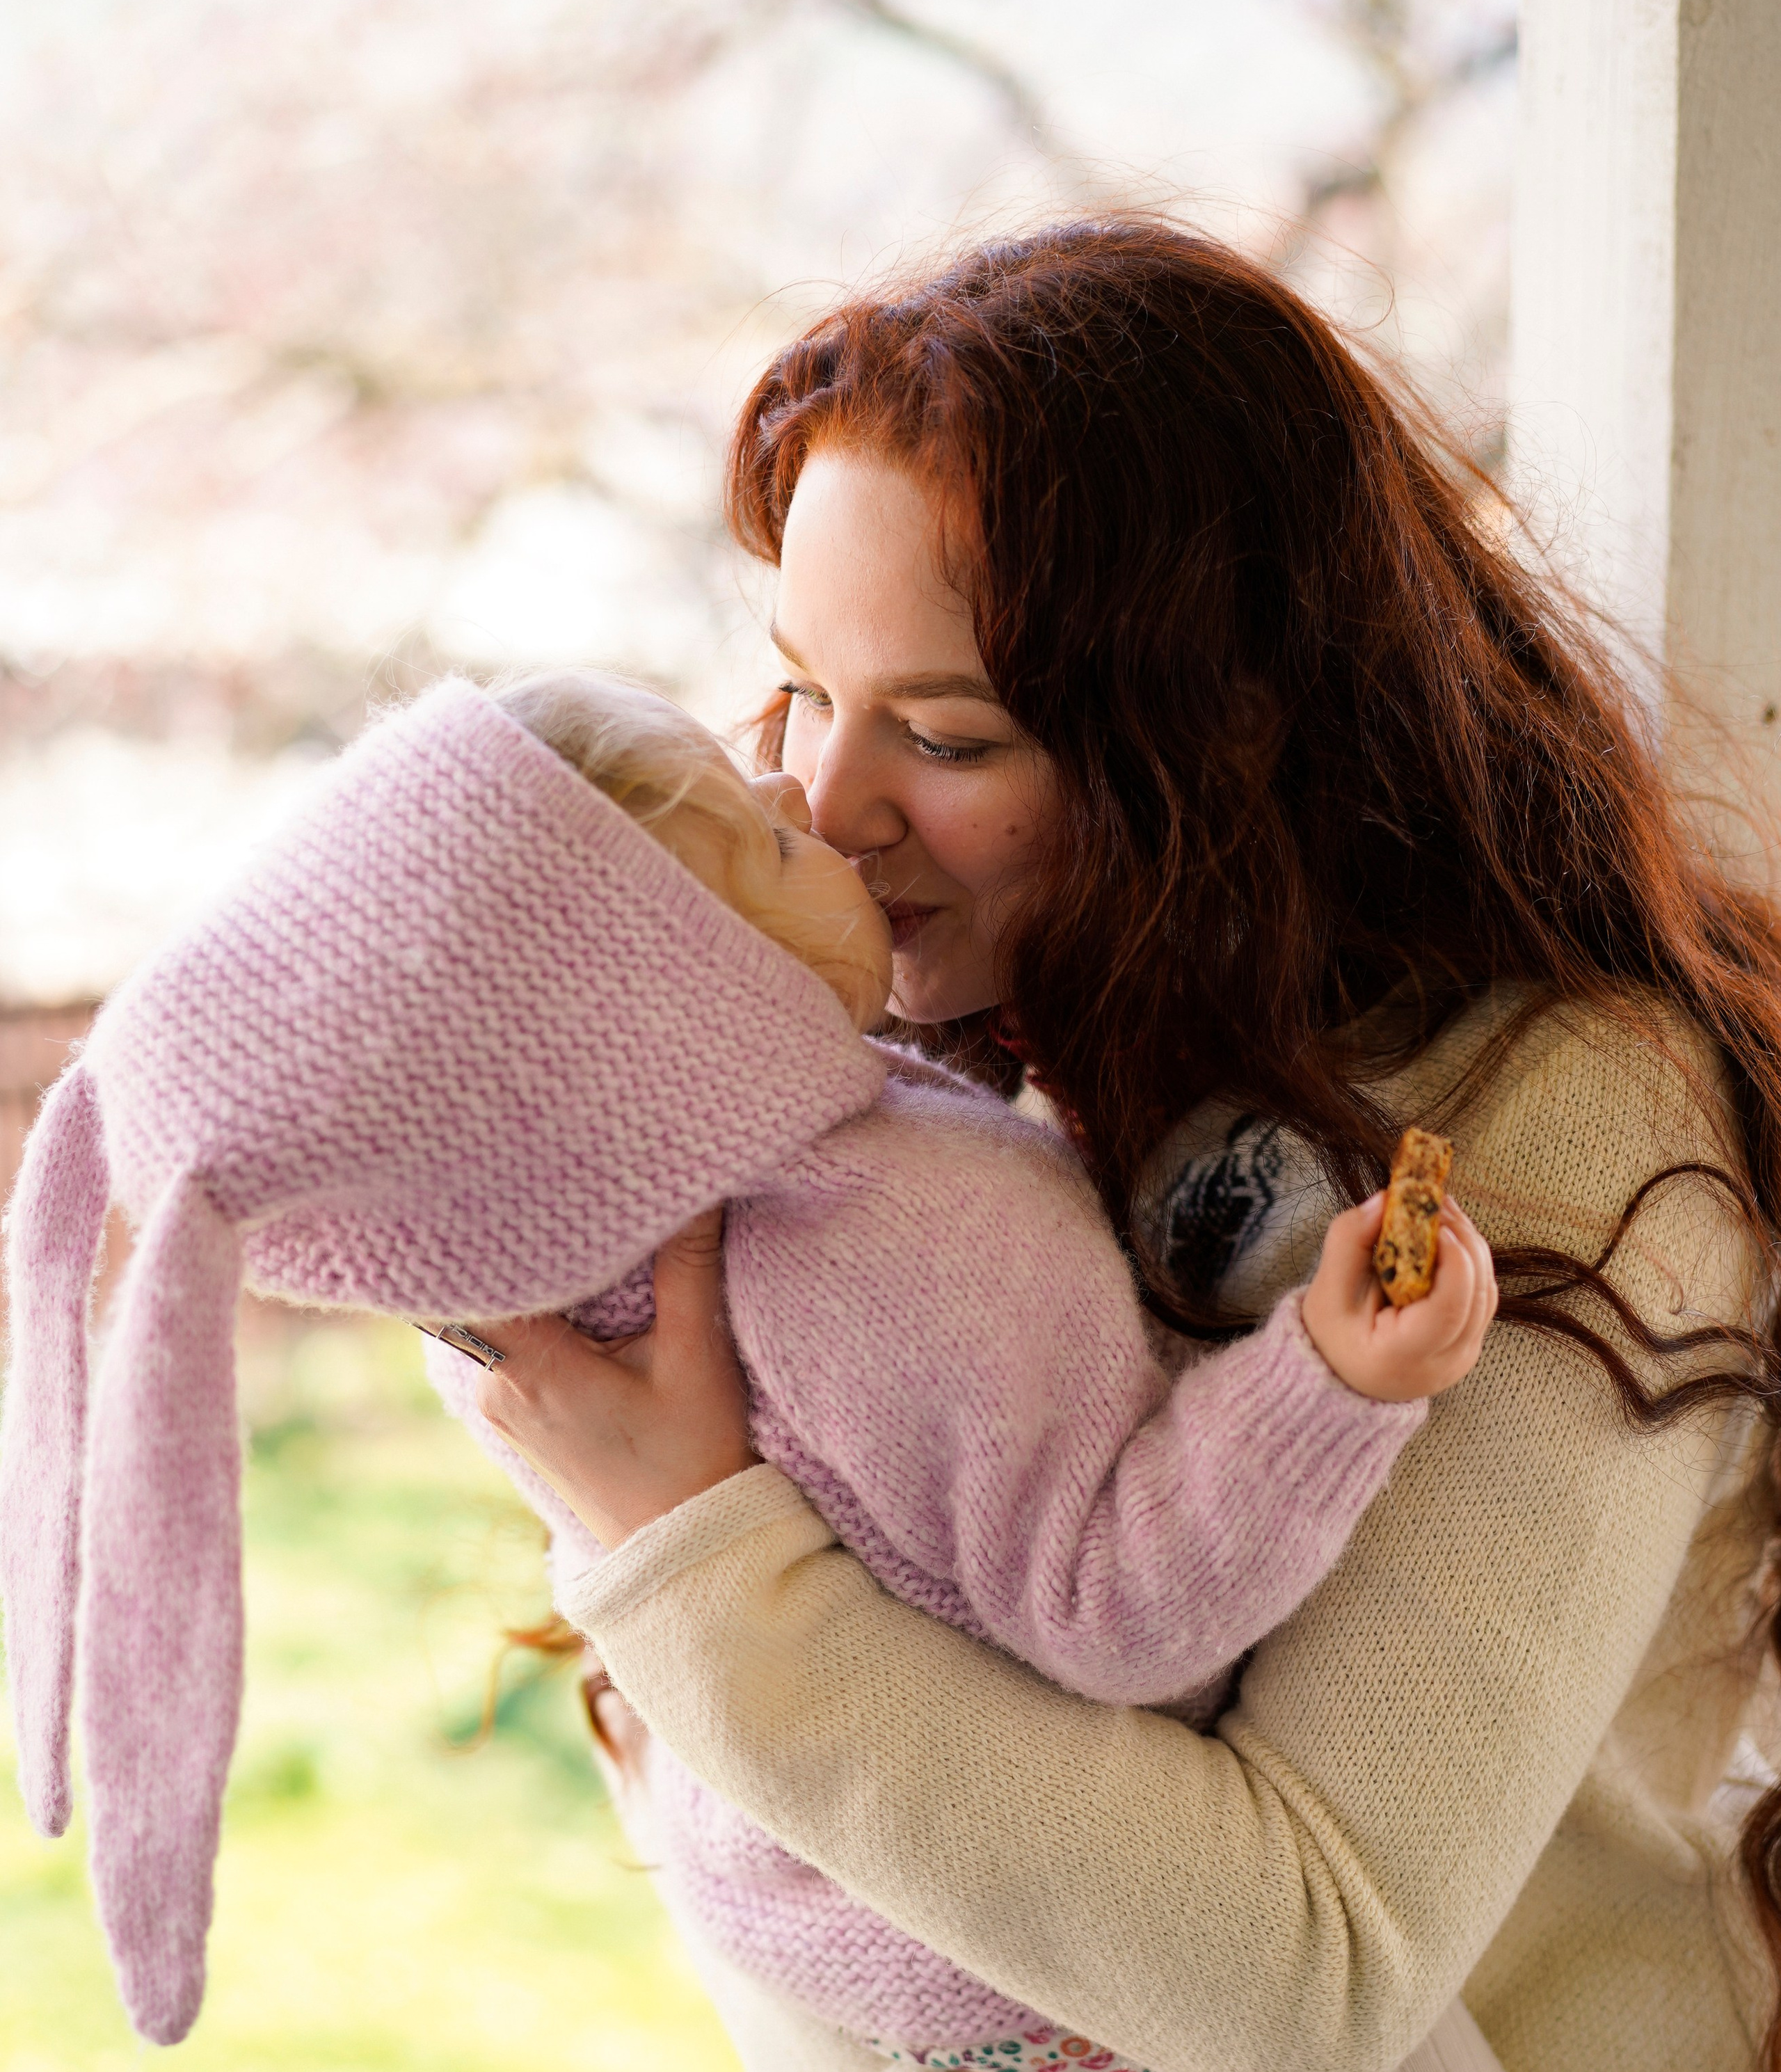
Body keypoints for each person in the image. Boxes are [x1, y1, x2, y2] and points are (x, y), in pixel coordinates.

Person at [469, 221, 1781, 2072]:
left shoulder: (1557, 1113)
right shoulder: (913, 1084)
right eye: (803, 690)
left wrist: (690, 1552)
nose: (828, 807)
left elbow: (1308, 1974)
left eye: (942, 733)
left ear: (1225, 741)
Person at [0, 669, 1490, 2063]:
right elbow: (1114, 1602)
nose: (809, 801)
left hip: (823, 1935)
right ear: (671, 1015)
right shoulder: (892, 1241)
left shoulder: (539, 1262)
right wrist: (1325, 1383)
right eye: (763, 842)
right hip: (1063, 1988)